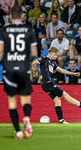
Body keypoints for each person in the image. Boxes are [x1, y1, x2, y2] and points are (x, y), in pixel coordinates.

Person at [0, 5, 37, 139]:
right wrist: (27, 60)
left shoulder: (4, 30)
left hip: (9, 69)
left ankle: (19, 132)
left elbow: (0, 52)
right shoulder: (28, 30)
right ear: (22, 16)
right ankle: (26, 117)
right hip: (23, 68)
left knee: (12, 102)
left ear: (10, 16)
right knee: (25, 99)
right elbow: (33, 53)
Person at [31, 46, 81, 124]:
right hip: (48, 83)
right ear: (50, 53)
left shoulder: (52, 63)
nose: (57, 56)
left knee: (57, 100)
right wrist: (32, 66)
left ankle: (61, 120)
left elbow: (62, 70)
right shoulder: (44, 59)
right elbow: (35, 62)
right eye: (55, 55)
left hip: (46, 85)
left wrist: (73, 74)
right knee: (64, 94)